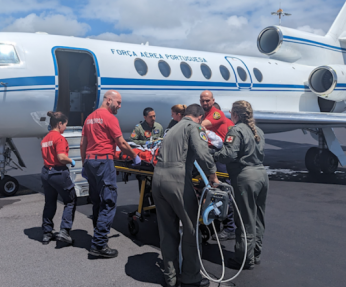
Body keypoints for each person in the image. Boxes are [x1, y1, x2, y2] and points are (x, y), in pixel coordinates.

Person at [153, 104, 219, 287]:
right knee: (191, 231)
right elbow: (202, 152)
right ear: (199, 117)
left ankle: (170, 277)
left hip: (158, 180)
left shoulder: (173, 128)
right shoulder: (194, 127)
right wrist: (213, 175)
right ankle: (191, 278)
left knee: (167, 231)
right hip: (177, 181)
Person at [80, 90, 140, 258]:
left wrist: (84, 163)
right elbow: (121, 142)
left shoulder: (90, 117)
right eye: (118, 103)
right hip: (103, 162)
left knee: (97, 202)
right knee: (108, 202)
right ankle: (98, 245)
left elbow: (83, 143)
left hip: (91, 162)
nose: (119, 106)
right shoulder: (110, 118)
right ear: (108, 100)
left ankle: (99, 236)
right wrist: (134, 156)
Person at [214, 100, 269, 270]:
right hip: (261, 175)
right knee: (258, 218)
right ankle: (255, 253)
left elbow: (229, 154)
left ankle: (244, 258)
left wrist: (213, 153)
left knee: (245, 220)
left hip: (245, 177)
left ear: (235, 114)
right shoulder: (258, 131)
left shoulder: (236, 131)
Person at [40, 111, 77, 245]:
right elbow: (61, 158)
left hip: (46, 173)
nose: (65, 128)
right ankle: (64, 231)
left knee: (50, 202)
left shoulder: (45, 138)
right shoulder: (59, 138)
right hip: (58, 173)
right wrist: (71, 161)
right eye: (65, 125)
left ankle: (47, 232)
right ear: (60, 123)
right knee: (70, 200)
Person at [210, 102, 236, 241]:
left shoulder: (227, 124)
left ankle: (230, 228)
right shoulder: (211, 125)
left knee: (225, 194)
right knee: (214, 194)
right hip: (214, 163)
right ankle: (217, 224)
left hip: (222, 165)